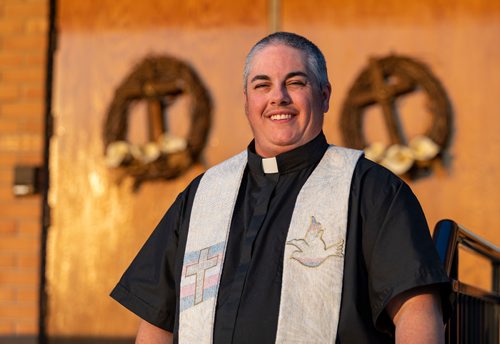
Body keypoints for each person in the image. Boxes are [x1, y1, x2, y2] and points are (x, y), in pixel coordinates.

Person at [111, 32, 450, 343]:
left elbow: (416, 311)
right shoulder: (202, 196)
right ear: (247, 101)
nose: (279, 97)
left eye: (295, 82)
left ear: (324, 95)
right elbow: (157, 321)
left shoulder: (373, 190)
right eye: (263, 85)